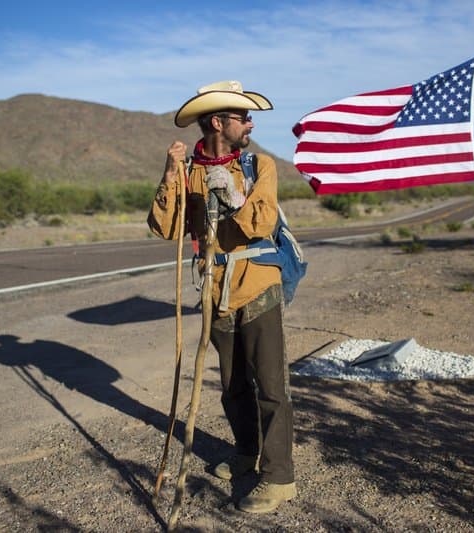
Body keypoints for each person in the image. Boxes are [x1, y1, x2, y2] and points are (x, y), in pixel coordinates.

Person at [147, 80, 296, 514]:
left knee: (270, 385)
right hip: (214, 289)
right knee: (231, 384)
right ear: (218, 122)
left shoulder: (259, 166)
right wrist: (170, 175)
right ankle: (247, 452)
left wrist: (230, 195)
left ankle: (279, 476)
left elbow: (264, 219)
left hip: (257, 282)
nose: (250, 124)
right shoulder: (190, 171)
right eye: (243, 117)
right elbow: (168, 229)